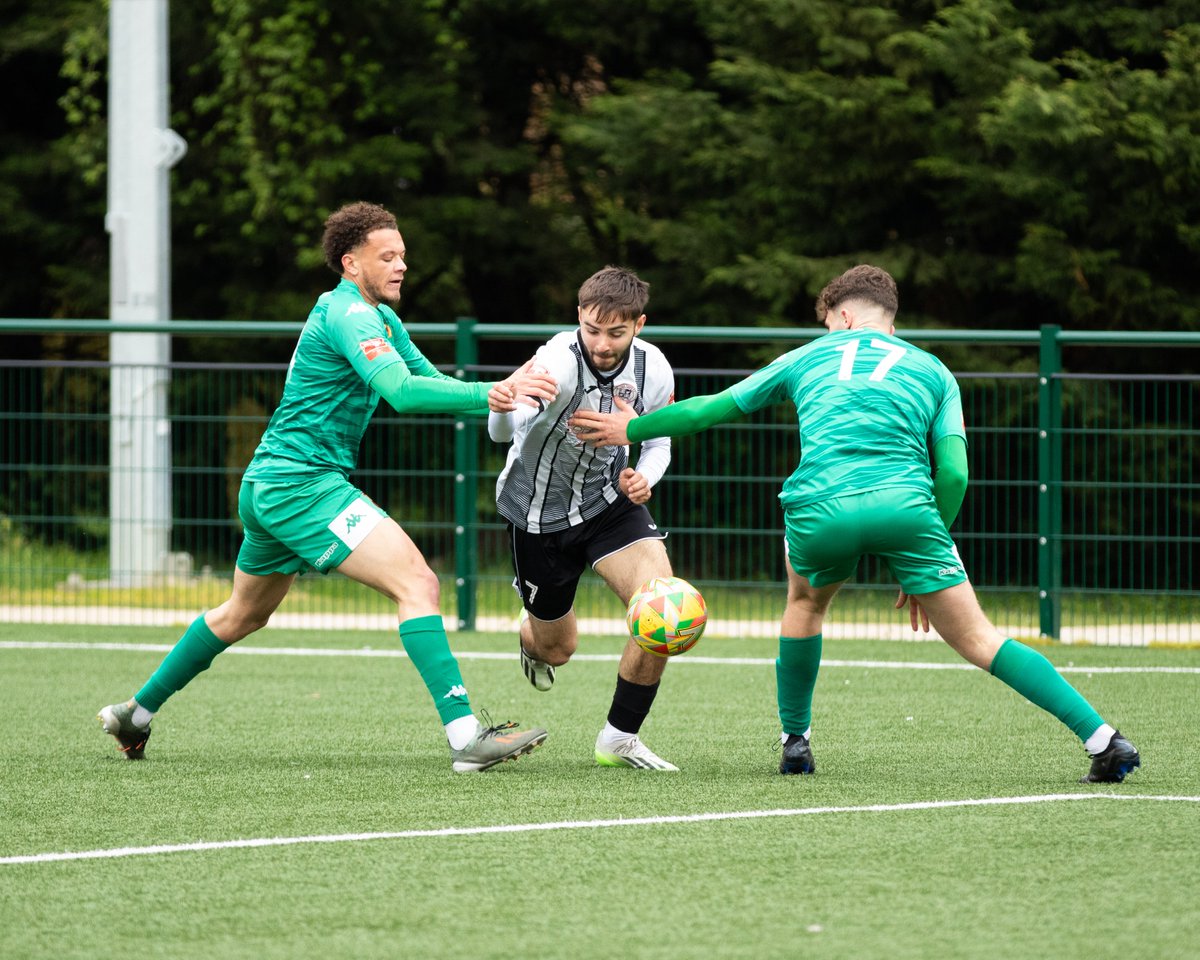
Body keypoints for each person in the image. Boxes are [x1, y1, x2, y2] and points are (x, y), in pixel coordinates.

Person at [570, 264, 1141, 784]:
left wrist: (632, 432)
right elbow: (956, 475)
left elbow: (712, 407)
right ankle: (1104, 740)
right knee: (979, 638)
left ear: (841, 317)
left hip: (823, 510)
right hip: (909, 510)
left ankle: (796, 742)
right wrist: (929, 548)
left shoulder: (808, 357)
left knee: (806, 606)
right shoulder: (935, 371)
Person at [99, 201, 557, 773]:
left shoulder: (376, 317)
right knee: (418, 583)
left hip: (273, 485)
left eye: (403, 256)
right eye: (386, 256)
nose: (401, 266)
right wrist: (492, 392)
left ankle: (135, 714)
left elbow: (429, 382)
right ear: (349, 262)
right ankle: (466, 738)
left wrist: (505, 387)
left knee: (241, 614)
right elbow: (404, 395)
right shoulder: (350, 316)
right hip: (301, 485)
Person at [488, 266, 681, 770]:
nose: (602, 343)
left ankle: (619, 738)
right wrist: (506, 402)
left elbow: (658, 439)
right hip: (537, 516)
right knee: (558, 650)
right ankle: (531, 636)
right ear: (579, 316)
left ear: (639, 324)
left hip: (609, 503)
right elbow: (500, 431)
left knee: (663, 610)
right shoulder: (556, 362)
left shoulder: (654, 369)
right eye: (593, 329)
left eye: (616, 332)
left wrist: (646, 476)